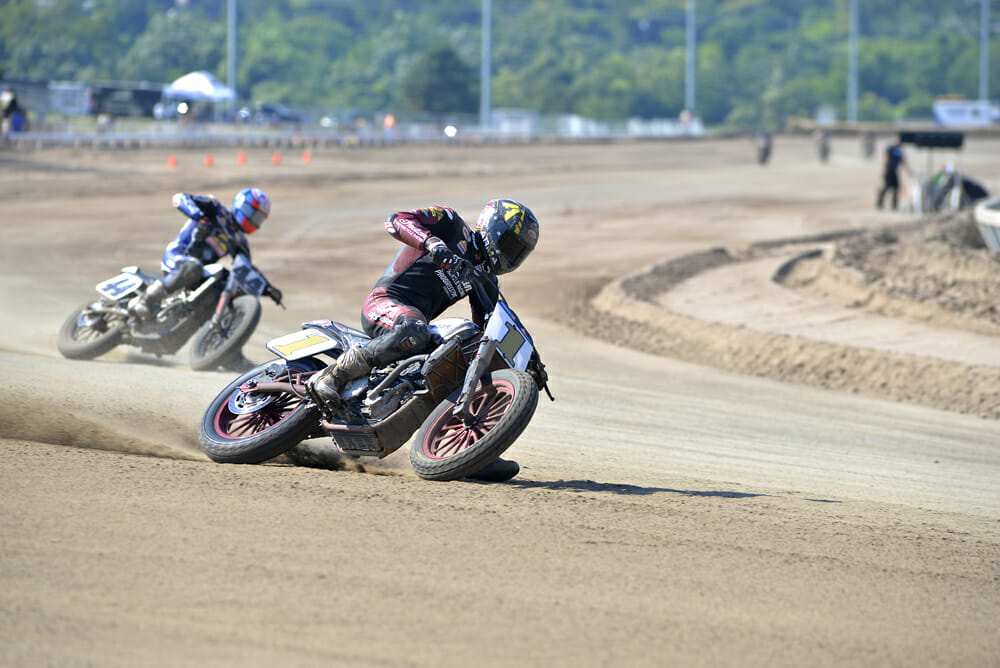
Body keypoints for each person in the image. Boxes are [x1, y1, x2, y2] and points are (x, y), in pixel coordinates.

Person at [308, 199, 540, 407]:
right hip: (386, 302)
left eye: (519, 253)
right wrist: (433, 244)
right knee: (415, 330)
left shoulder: (486, 279)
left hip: (413, 326)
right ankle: (334, 374)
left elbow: (488, 331)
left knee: (454, 358)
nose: (511, 256)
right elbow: (396, 220)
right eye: (511, 245)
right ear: (494, 227)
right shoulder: (450, 223)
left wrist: (527, 364)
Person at [130, 188, 276, 321]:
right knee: (194, 267)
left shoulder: (240, 241)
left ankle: (223, 344)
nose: (253, 220)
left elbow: (246, 268)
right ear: (242, 205)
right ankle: (147, 300)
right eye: (253, 214)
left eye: (259, 219)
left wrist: (267, 289)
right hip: (179, 257)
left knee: (221, 284)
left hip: (199, 274)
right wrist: (198, 215)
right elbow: (180, 198)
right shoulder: (215, 209)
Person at [876, 134, 910, 210]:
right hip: (888, 170)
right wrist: (884, 168)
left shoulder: (900, 150)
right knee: (886, 187)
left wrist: (908, 171)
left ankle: (894, 206)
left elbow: (903, 161)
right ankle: (879, 204)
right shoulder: (890, 148)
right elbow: (885, 157)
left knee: (896, 188)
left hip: (895, 171)